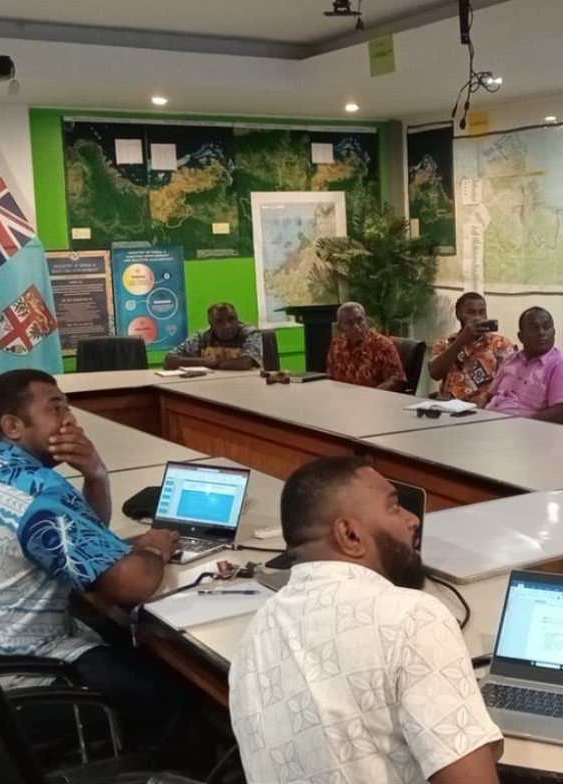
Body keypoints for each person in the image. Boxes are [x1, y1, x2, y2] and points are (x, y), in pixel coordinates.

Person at [0, 369, 193, 751]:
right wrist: (154, 548)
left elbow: (83, 539)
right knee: (176, 691)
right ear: (12, 426)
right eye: (56, 409)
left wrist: (96, 475)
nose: (71, 421)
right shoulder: (39, 492)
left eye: (68, 408)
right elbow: (132, 585)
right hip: (9, 683)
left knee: (125, 638)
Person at [229, 456, 503, 784]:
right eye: (394, 507)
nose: (413, 519)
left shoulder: (253, 636)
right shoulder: (413, 617)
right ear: (350, 535)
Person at [480, 307, 563, 424]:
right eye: (534, 328)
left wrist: (519, 424)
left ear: (553, 332)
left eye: (546, 327)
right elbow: (488, 396)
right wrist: (475, 412)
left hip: (525, 429)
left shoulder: (562, 364)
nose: (542, 333)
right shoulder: (510, 360)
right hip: (489, 421)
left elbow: (560, 414)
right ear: (520, 336)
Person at [428, 292, 515, 403]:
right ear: (459, 314)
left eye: (482, 312)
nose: (478, 317)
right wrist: (460, 341)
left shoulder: (501, 344)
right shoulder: (445, 343)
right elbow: (434, 374)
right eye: (471, 312)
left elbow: (508, 385)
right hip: (447, 406)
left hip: (483, 408)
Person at [326, 302, 407, 391]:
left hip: (373, 397)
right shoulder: (336, 345)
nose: (356, 327)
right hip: (342, 396)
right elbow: (330, 376)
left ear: (366, 321)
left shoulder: (383, 345)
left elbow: (397, 379)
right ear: (340, 328)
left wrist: (372, 394)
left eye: (360, 320)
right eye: (349, 323)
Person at [164, 302, 263, 371]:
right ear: (211, 324)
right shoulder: (202, 337)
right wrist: (205, 361)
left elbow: (245, 363)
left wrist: (213, 362)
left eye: (231, 319)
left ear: (237, 319)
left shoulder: (250, 334)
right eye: (219, 321)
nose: (227, 325)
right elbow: (169, 360)